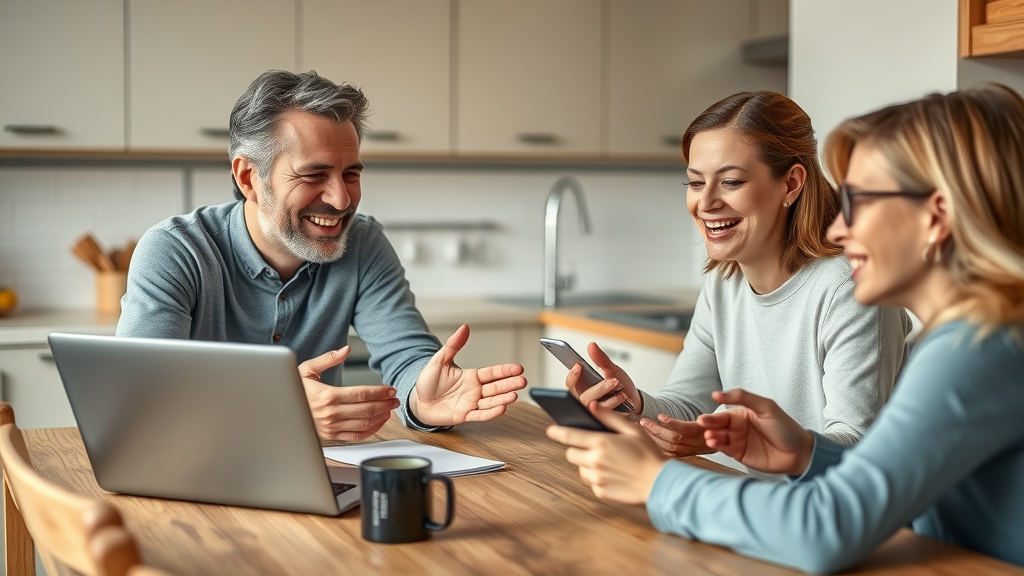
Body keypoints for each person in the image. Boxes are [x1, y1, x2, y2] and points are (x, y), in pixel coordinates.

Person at [548, 83, 1024, 571]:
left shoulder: (980, 347)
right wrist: (806, 454)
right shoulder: (964, 338)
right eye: (695, 181)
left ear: (935, 218)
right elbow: (898, 485)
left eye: (859, 201)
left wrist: (655, 484)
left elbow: (828, 525)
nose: (839, 228)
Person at [117, 70, 526, 440]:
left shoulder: (363, 243)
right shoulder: (174, 251)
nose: (342, 198)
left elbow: (407, 357)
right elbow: (141, 399)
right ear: (248, 178)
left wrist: (424, 397)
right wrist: (278, 410)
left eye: (351, 173)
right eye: (314, 174)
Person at [566, 92, 910, 470]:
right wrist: (636, 404)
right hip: (759, 504)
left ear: (791, 184)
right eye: (695, 183)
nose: (706, 202)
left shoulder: (850, 287)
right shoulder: (724, 284)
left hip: (834, 516)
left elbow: (857, 447)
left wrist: (752, 442)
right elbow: (687, 405)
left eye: (730, 182)